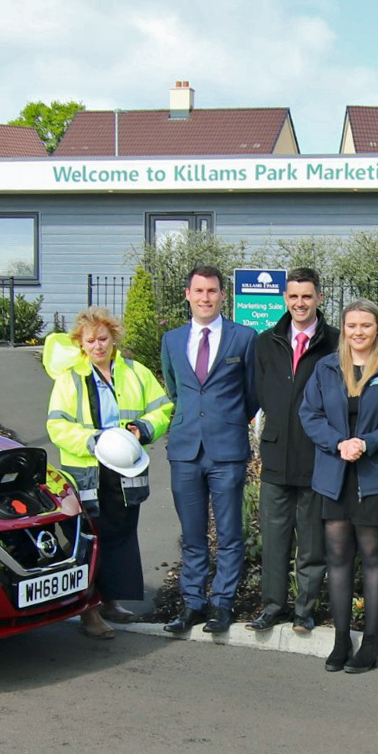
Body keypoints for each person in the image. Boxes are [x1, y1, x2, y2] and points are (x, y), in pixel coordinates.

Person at [299, 300, 378, 673]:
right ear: (344, 329)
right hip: (334, 474)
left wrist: (366, 442)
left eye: (366, 325)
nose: (358, 332)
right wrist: (339, 443)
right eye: (351, 326)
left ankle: (369, 643)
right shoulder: (326, 368)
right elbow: (310, 414)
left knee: (373, 558)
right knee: (337, 558)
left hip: (375, 475)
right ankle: (340, 640)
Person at [44, 307, 173, 639]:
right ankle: (89, 611)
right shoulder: (70, 379)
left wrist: (144, 428)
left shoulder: (135, 372)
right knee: (90, 540)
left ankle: (111, 601)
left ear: (113, 338)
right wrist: (92, 440)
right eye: (91, 340)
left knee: (121, 535)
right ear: (81, 343)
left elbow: (164, 407)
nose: (98, 345)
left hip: (125, 469)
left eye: (103, 338)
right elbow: (57, 426)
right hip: (87, 470)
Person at [159, 266, 260, 635]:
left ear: (222, 295)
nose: (205, 297)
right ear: (188, 293)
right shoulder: (172, 340)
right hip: (185, 450)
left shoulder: (244, 338)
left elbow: (252, 393)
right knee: (193, 534)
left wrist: (227, 421)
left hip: (227, 449)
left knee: (230, 533)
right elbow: (175, 389)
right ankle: (192, 604)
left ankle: (221, 604)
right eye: (199, 291)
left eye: (212, 291)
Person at [249, 268, 339, 634]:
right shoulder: (266, 341)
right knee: (273, 539)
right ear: (285, 299)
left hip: (316, 456)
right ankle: (272, 606)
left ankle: (305, 609)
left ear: (319, 298)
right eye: (293, 296)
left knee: (312, 541)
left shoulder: (334, 341)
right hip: (275, 455)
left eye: (307, 296)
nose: (299, 303)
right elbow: (259, 393)